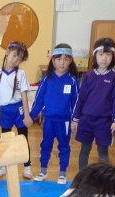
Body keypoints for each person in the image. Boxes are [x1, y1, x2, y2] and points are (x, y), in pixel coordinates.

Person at [25, 44, 79, 184]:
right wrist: (31, 116)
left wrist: (75, 120)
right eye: (58, 59)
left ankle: (62, 174)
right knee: (46, 145)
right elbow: (39, 100)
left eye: (66, 59)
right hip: (48, 120)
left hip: (65, 122)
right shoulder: (46, 79)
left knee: (64, 146)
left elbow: (76, 102)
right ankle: (43, 171)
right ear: (53, 61)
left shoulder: (72, 80)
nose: (62, 62)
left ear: (70, 61)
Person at [0, 41, 33, 179]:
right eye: (14, 55)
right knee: (5, 140)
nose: (16, 60)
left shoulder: (21, 74)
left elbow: (24, 95)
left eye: (19, 59)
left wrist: (27, 115)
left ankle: (27, 167)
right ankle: (4, 167)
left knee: (23, 139)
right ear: (7, 52)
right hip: (5, 111)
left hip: (19, 109)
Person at [72, 38, 115, 170]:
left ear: (113, 57)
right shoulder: (88, 76)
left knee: (103, 152)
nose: (104, 58)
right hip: (86, 119)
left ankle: (104, 178)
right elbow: (81, 99)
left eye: (108, 54)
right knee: (84, 149)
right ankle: (82, 176)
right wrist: (75, 119)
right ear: (95, 56)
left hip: (104, 121)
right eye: (101, 54)